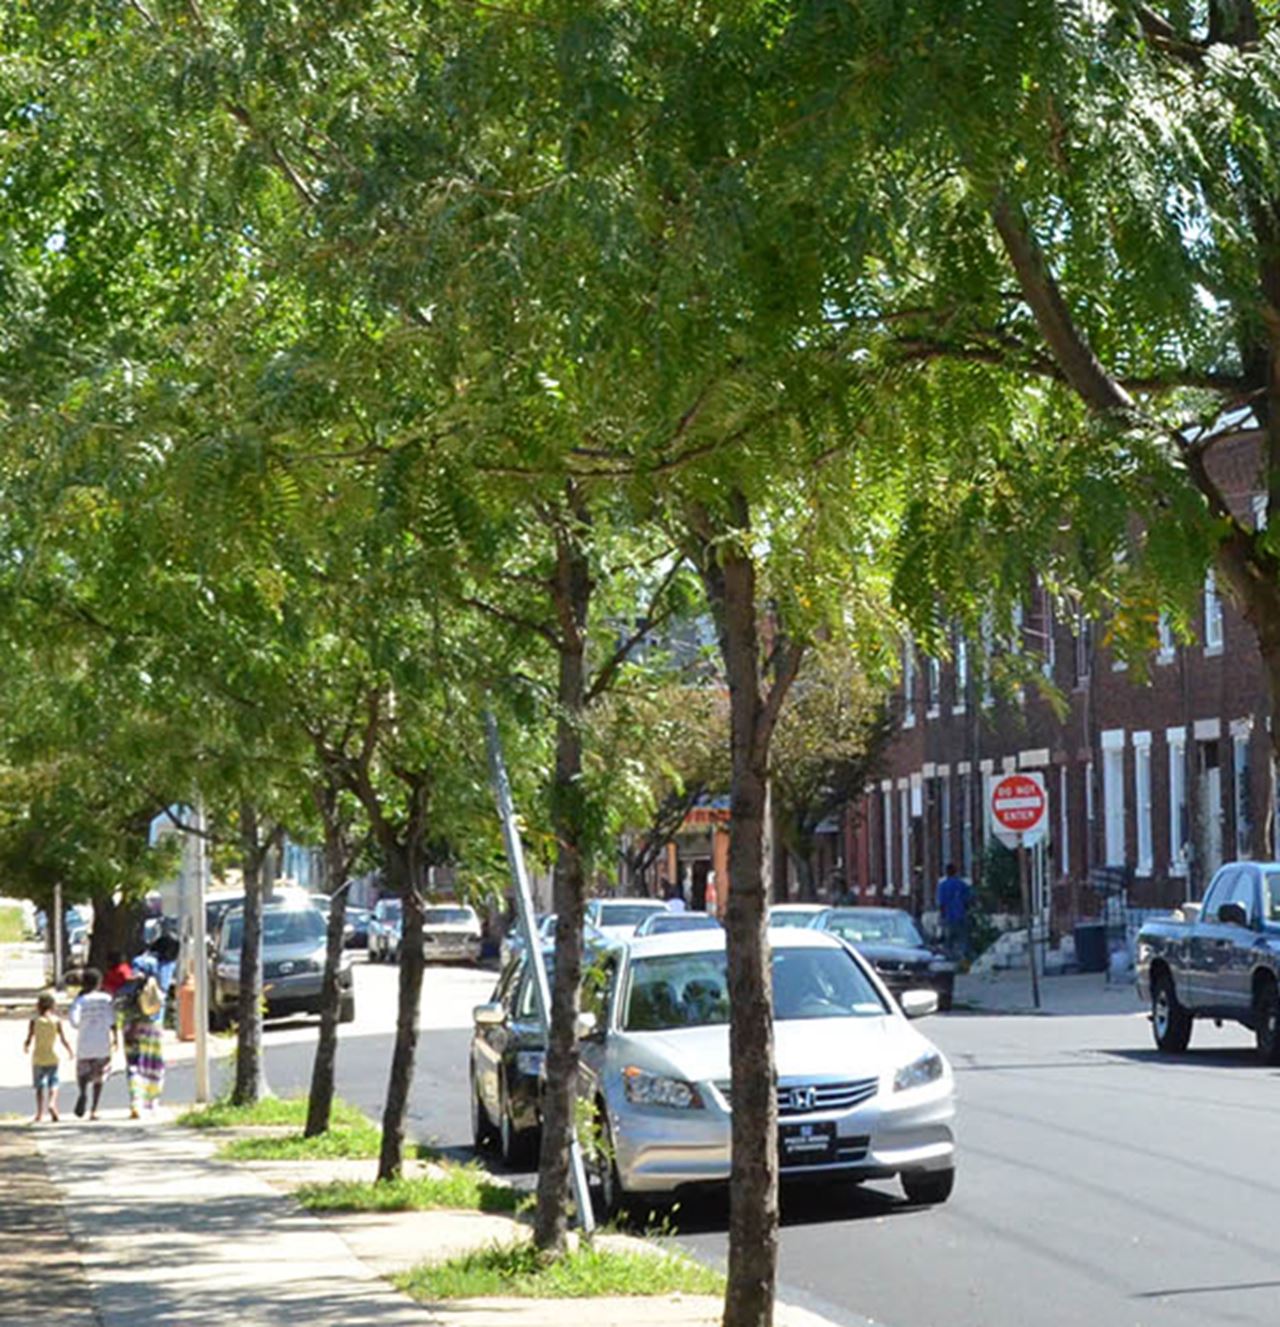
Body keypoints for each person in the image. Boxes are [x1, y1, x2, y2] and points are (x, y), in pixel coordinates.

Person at [118, 948, 169, 1118]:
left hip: (131, 1025)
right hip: (153, 1025)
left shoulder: (131, 982)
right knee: (154, 1064)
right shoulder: (159, 975)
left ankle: (135, 1101)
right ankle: (152, 1102)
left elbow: (119, 1000)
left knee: (134, 1064)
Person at [69, 967, 117, 1120]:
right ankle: (94, 1110)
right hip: (102, 1044)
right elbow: (112, 1020)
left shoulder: (80, 1000)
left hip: (85, 1043)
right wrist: (115, 1038)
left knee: (83, 1074)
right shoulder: (106, 999)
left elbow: (74, 1021)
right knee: (99, 1078)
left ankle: (83, 1092)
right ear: (99, 983)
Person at [24, 991, 73, 1123]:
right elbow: (63, 1039)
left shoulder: (34, 1021)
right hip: (53, 1056)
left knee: (39, 1086)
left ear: (38, 1006)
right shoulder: (56, 1021)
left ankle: (40, 1113)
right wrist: (70, 1051)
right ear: (53, 1006)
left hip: (38, 1057)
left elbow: (29, 1038)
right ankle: (52, 1103)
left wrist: (26, 1046)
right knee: (54, 1083)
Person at [937, 863, 973, 959]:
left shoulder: (942, 886)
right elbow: (968, 900)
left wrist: (942, 917)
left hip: (949, 917)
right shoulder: (962, 885)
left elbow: (941, 904)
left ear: (946, 873)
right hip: (961, 916)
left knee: (948, 942)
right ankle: (964, 961)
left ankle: (950, 960)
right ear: (955, 872)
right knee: (963, 940)